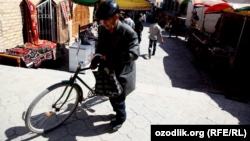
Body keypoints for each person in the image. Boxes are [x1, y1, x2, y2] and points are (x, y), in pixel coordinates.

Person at [90, 0, 140, 131]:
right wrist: (95, 60)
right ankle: (117, 111)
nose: (103, 23)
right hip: (108, 69)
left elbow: (134, 54)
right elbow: (100, 47)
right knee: (111, 95)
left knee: (118, 98)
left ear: (116, 17)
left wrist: (110, 57)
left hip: (122, 71)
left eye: (106, 20)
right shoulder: (103, 29)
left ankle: (120, 118)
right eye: (101, 20)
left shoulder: (129, 33)